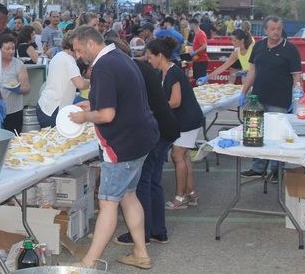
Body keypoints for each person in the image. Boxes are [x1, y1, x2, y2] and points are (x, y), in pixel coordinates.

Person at [68, 26, 158, 270]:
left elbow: (108, 114)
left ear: (90, 44)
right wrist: (92, 104)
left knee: (108, 202)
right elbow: (119, 99)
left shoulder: (103, 67)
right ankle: (141, 253)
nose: (78, 56)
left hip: (122, 145)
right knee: (129, 196)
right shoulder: (119, 57)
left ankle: (89, 262)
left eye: (78, 49)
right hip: (141, 139)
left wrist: (84, 118)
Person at [108, 38, 180, 246]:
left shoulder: (129, 71)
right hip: (167, 127)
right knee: (154, 181)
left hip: (156, 130)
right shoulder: (139, 67)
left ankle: (143, 233)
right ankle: (159, 231)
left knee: (142, 183)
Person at [240, 15, 302, 181]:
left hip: (279, 101)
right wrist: (243, 92)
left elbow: (296, 77)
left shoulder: (290, 49)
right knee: (255, 133)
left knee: (276, 136)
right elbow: (252, 71)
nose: (276, 32)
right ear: (266, 30)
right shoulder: (258, 46)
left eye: (279, 29)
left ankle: (276, 170)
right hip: (257, 99)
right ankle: (258, 167)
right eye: (272, 29)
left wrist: (297, 99)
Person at [146, 36, 204, 210]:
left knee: (177, 156)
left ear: (160, 56)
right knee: (184, 156)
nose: (149, 60)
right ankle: (191, 193)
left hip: (187, 120)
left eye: (150, 56)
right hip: (184, 120)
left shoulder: (174, 72)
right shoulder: (164, 72)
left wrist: (154, 108)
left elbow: (176, 101)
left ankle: (180, 198)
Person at [36, 31, 90, 128]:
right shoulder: (70, 61)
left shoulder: (58, 56)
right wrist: (90, 82)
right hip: (54, 108)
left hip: (46, 105)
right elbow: (80, 84)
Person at [0, 33, 31, 133]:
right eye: (7, 48)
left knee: (14, 140)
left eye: (13, 48)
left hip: (14, 110)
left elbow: (26, 87)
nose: (11, 51)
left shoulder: (18, 64)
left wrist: (18, 89)